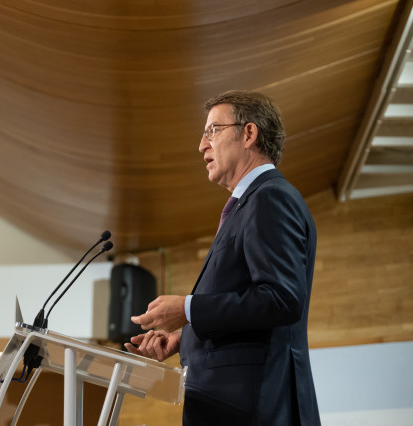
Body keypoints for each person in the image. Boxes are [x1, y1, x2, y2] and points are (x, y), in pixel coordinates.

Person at [124, 90, 320, 425]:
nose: (202, 145)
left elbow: (281, 298)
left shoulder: (270, 198)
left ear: (249, 134)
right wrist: (186, 336)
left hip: (256, 408)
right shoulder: (249, 206)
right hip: (232, 406)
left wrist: (187, 309)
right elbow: (248, 303)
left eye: (213, 130)